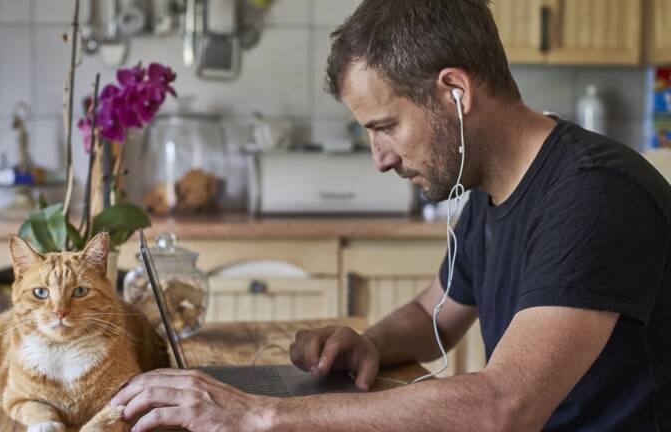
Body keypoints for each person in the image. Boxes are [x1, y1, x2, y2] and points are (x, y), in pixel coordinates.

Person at [110, 0, 671, 430]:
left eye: (385, 127)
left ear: (454, 90)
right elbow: (436, 312)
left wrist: (258, 415)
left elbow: (506, 406)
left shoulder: (596, 196)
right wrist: (369, 342)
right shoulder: (488, 188)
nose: (380, 160)